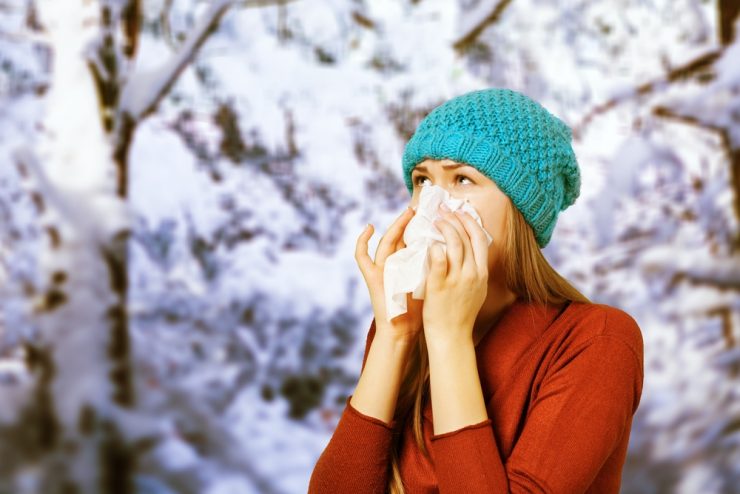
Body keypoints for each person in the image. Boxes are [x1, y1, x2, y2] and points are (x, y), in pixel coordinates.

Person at [308, 88, 644, 493]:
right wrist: (394, 338)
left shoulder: (597, 341)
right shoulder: (404, 329)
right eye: (422, 180)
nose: (432, 203)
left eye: (462, 179)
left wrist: (449, 338)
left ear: (521, 208)